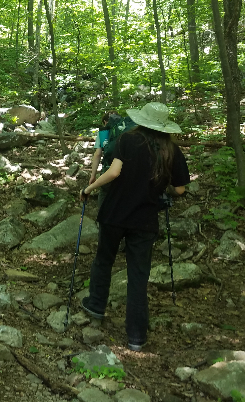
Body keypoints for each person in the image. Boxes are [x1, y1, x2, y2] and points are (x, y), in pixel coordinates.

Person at [80, 102, 190, 352]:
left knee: (103, 260)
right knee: (138, 277)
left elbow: (114, 172)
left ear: (142, 120)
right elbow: (181, 188)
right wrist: (163, 188)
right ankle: (136, 336)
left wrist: (89, 188)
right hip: (145, 219)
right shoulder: (171, 150)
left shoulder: (128, 139)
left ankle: (96, 306)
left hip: (115, 212)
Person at [89, 111, 117, 206]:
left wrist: (93, 175)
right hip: (125, 172)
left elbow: (98, 154)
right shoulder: (126, 130)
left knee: (104, 197)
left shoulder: (103, 132)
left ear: (105, 122)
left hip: (108, 171)